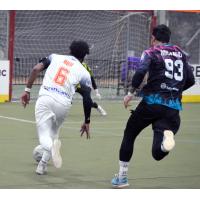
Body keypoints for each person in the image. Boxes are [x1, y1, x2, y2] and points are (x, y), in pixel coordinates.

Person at [111, 24, 195, 188]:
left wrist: (131, 92)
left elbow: (141, 70)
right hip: (172, 107)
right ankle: (165, 143)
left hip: (151, 103)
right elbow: (190, 80)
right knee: (158, 153)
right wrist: (176, 91)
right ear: (169, 38)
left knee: (130, 133)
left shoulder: (151, 52)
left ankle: (122, 178)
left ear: (154, 38)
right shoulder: (181, 53)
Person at [20, 40, 93, 175]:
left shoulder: (54, 57)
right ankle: (42, 166)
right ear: (85, 56)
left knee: (44, 136)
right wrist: (87, 120)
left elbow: (36, 69)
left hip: (46, 98)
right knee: (53, 135)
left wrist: (27, 90)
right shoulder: (84, 72)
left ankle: (52, 149)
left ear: (70, 50)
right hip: (63, 104)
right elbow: (87, 98)